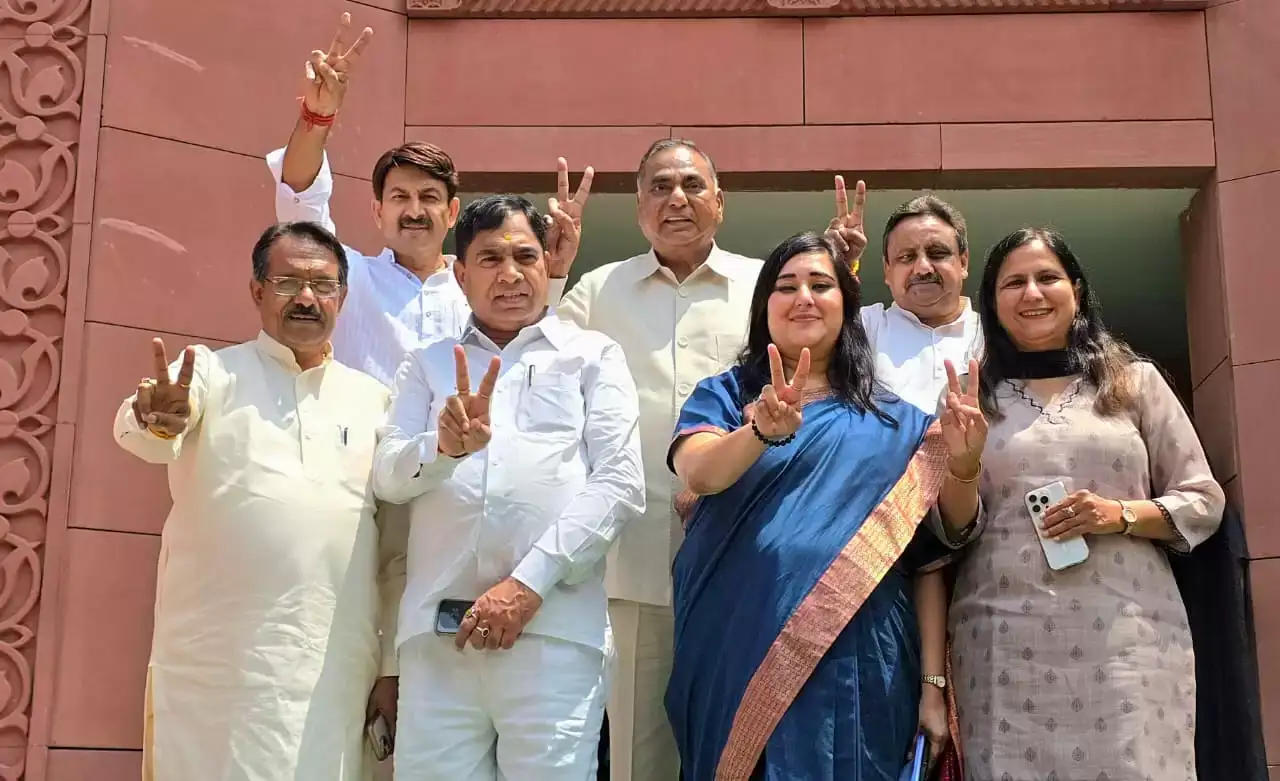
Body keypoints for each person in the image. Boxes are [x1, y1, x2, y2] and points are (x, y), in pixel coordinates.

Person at [266, 12, 592, 746]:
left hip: (462, 501)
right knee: (357, 670)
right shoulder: (348, 279)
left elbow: (538, 352)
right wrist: (318, 117)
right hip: (362, 488)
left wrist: (554, 274)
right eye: (398, 198)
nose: (413, 211)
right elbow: (299, 202)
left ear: (452, 213)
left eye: (428, 199)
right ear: (377, 210)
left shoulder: (482, 289)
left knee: (451, 683)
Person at [665, 232, 986, 780]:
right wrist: (758, 433)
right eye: (786, 286)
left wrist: (963, 463)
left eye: (820, 285)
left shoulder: (897, 423)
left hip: (858, 658)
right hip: (732, 644)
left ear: (847, 304)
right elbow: (699, 471)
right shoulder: (725, 395)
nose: (804, 299)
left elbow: (938, 549)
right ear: (764, 305)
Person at [371, 195, 645, 781]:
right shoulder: (427, 364)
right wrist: (442, 450)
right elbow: (389, 477)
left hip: (553, 635)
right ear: (460, 274)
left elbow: (620, 483)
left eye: (525, 256)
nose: (511, 273)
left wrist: (527, 585)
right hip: (439, 643)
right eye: (490, 258)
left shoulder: (591, 355)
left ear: (548, 264)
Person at [938, 228, 1224, 781]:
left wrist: (1118, 515)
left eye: (1047, 277)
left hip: (1126, 640)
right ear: (992, 303)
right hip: (1003, 644)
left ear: (1076, 289)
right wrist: (964, 463)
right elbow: (948, 531)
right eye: (1013, 283)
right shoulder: (971, 399)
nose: (1032, 293)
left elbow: (1202, 500)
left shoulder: (1133, 384)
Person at [115, 221, 391, 781]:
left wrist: (390, 667)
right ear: (257, 291)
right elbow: (144, 433)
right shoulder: (209, 372)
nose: (307, 298)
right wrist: (155, 418)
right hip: (218, 671)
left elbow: (395, 551)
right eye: (288, 283)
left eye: (323, 285)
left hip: (334, 666)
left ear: (342, 297)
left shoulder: (375, 400)